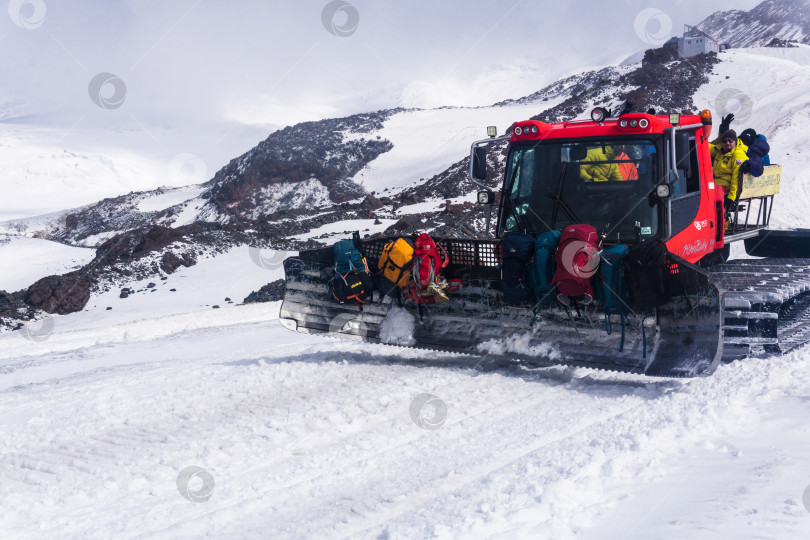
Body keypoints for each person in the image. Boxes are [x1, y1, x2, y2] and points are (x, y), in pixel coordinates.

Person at [709, 129, 749, 203]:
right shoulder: (721, 151)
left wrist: (731, 197)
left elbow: (736, 177)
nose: (727, 143)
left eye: (730, 140)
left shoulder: (737, 155)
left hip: (726, 189)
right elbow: (707, 147)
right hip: (716, 185)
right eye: (725, 141)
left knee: (706, 196)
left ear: (735, 141)